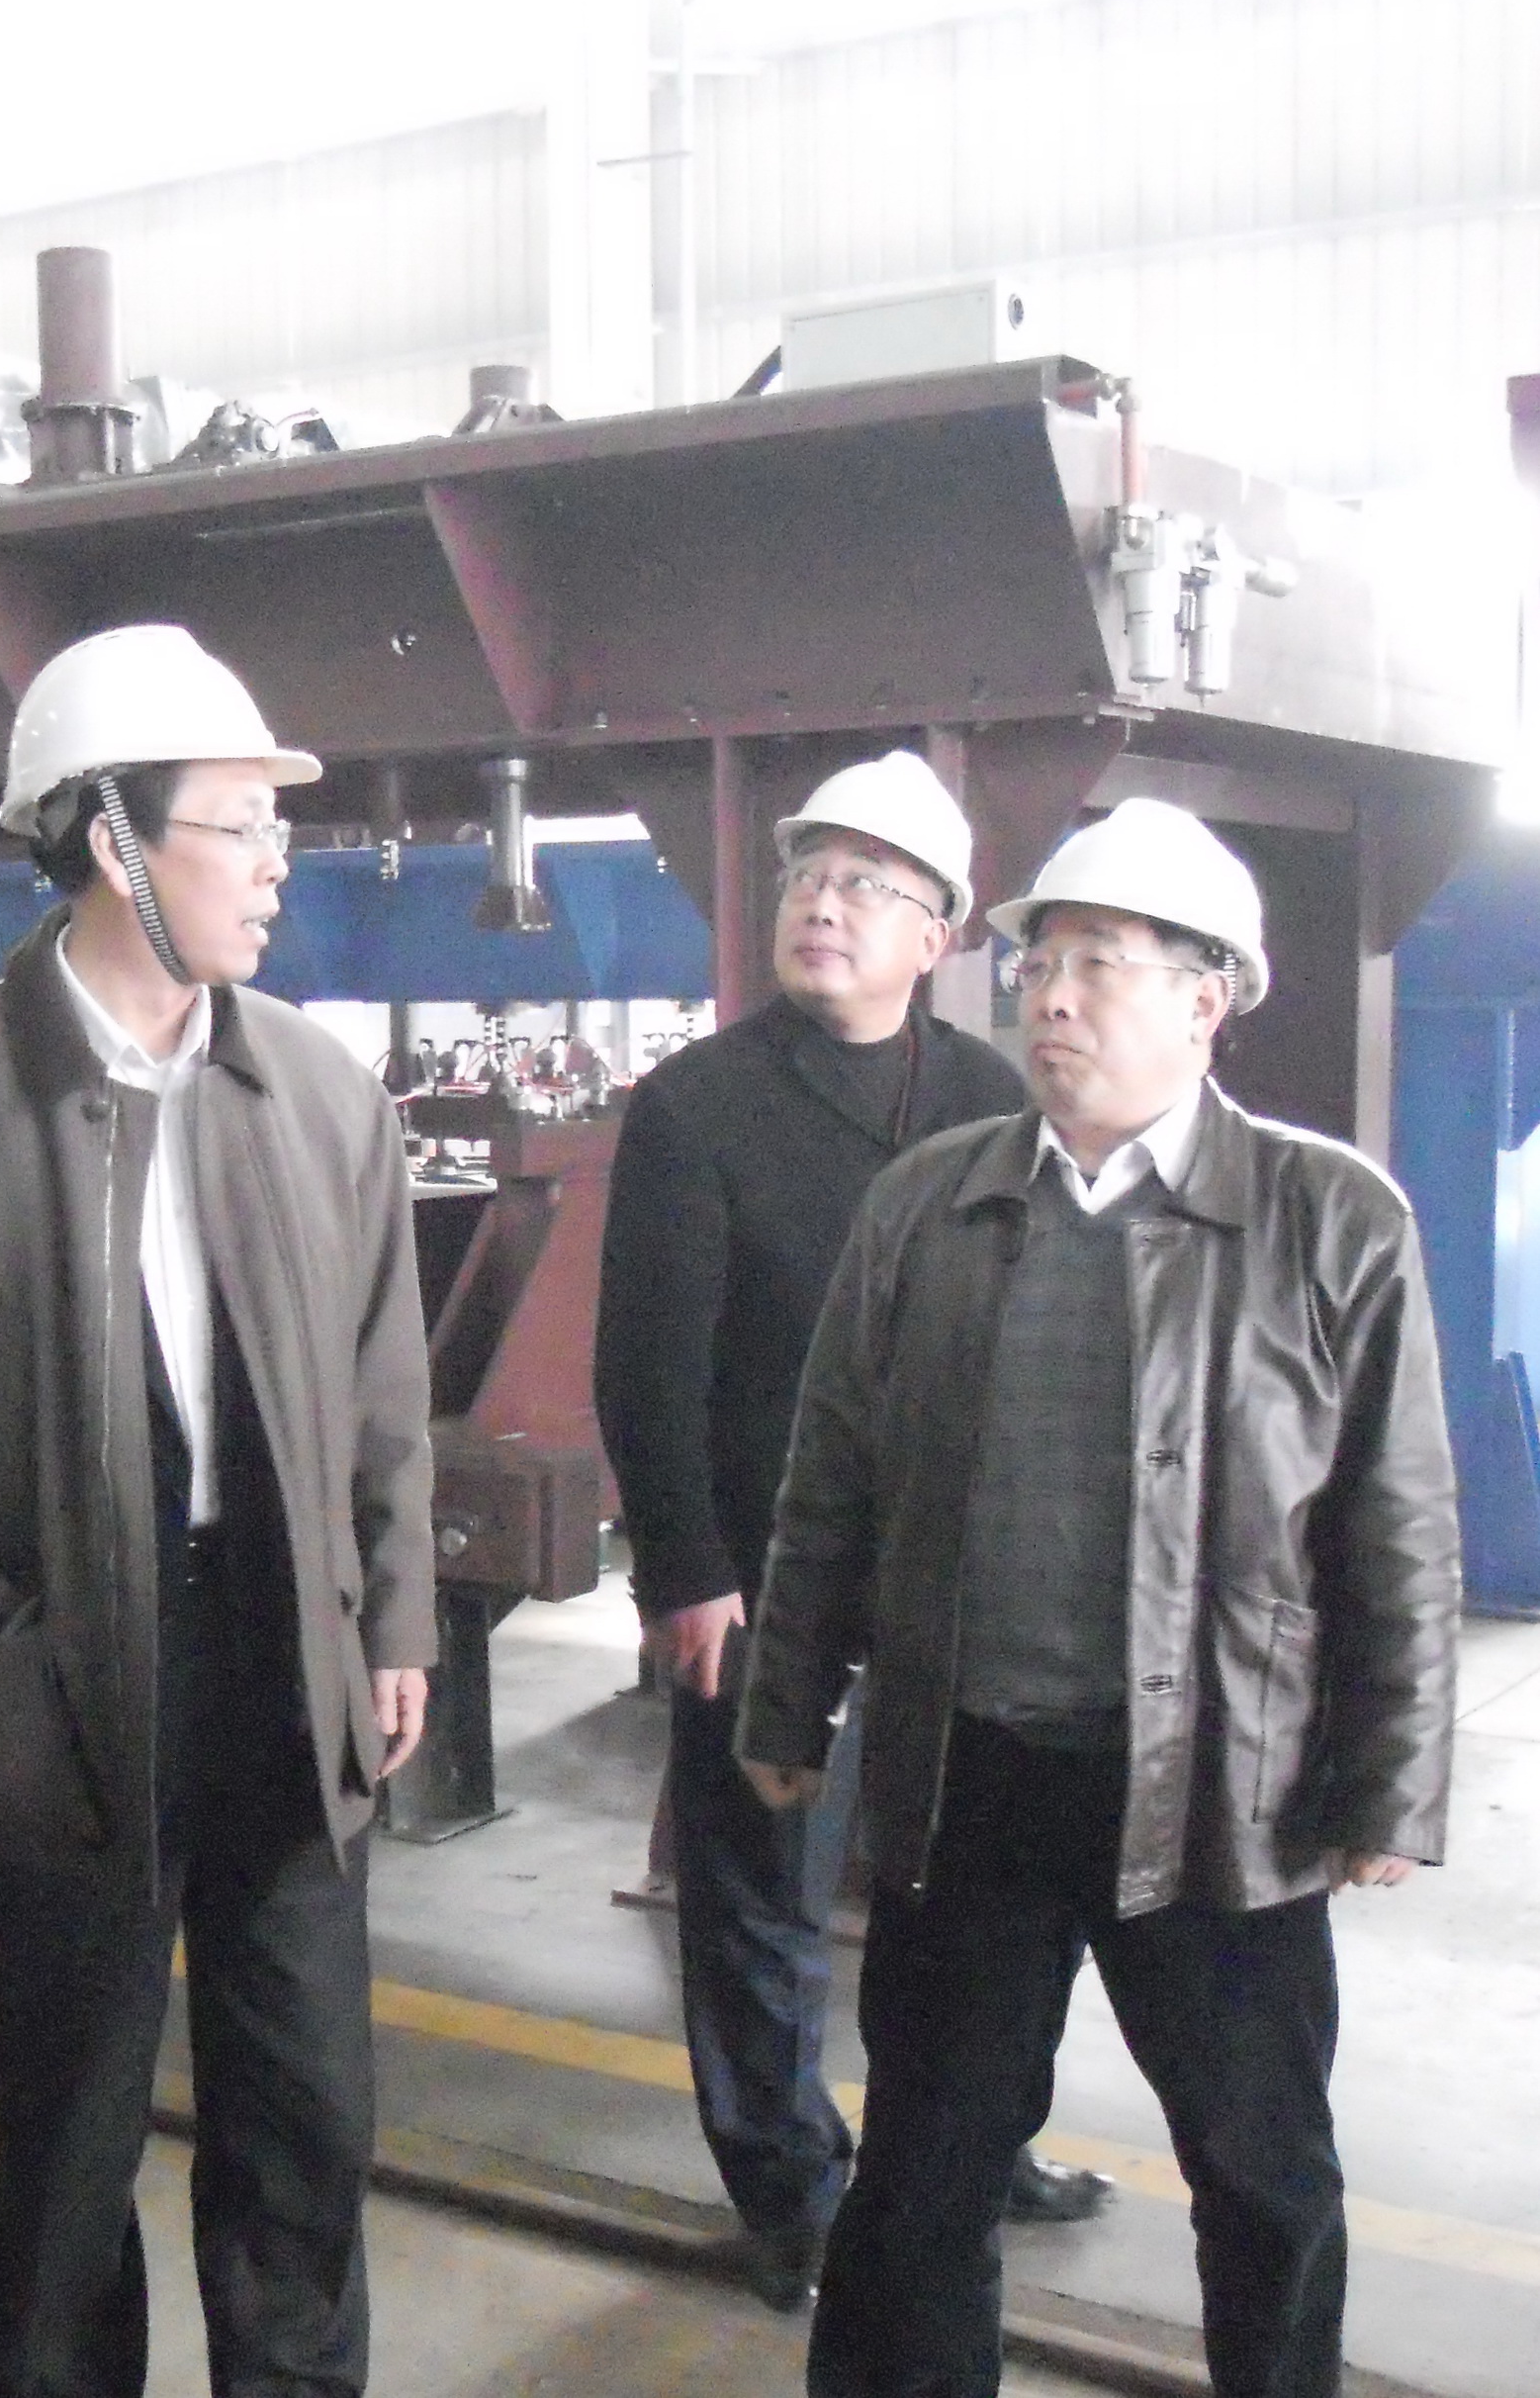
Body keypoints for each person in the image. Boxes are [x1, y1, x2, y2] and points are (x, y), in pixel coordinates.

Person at [0, 622, 437, 2398]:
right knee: (68, 2133)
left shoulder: (319, 1095)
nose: (275, 863)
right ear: (108, 838)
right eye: (237, 824)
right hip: (56, 1678)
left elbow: (383, 1391)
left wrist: (391, 1618)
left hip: (282, 1665)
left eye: (277, 826)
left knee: (304, 2110)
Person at [741, 797, 1461, 2398]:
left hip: (1222, 1789)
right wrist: (786, 1701)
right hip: (971, 1775)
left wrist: (1391, 1778)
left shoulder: (1327, 1216)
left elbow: (1396, 1524)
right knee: (921, 2173)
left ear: (1206, 998)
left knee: (1262, 2177)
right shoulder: (924, 1205)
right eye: (1037, 964)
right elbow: (830, 1479)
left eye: (1097, 965)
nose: (1049, 998)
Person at [591, 751, 1107, 2310]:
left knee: (967, 1896)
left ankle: (967, 2143)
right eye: (809, 874)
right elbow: (646, 1370)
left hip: (960, 1591)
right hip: (766, 1587)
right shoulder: (697, 1106)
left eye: (866, 884)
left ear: (936, 935)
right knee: (762, 1894)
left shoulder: (990, 1102)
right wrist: (685, 1574)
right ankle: (791, 2189)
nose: (823, 903)